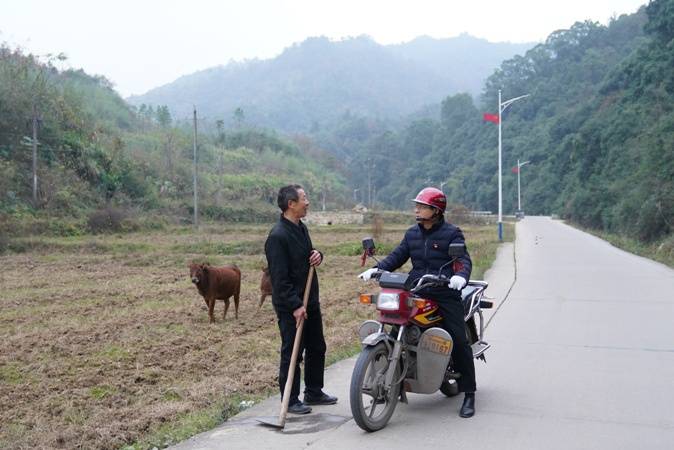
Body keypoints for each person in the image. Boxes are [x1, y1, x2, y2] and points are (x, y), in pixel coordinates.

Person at [359, 187, 476, 418]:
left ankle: (469, 393)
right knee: (395, 328)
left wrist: (459, 277)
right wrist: (376, 268)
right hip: (416, 289)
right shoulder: (412, 233)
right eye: (417, 205)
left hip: (443, 292)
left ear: (435, 210)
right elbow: (397, 256)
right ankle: (397, 372)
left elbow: (463, 259)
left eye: (421, 206)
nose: (417, 209)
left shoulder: (452, 233)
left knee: (458, 339)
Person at [264, 184, 338, 415]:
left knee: (317, 346)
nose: (307, 202)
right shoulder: (277, 236)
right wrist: (295, 306)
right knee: (293, 351)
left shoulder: (301, 229)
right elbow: (279, 278)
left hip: (310, 299)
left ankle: (314, 391)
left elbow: (308, 256)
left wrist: (317, 255)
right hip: (291, 304)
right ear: (291, 204)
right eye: (304, 198)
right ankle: (291, 398)